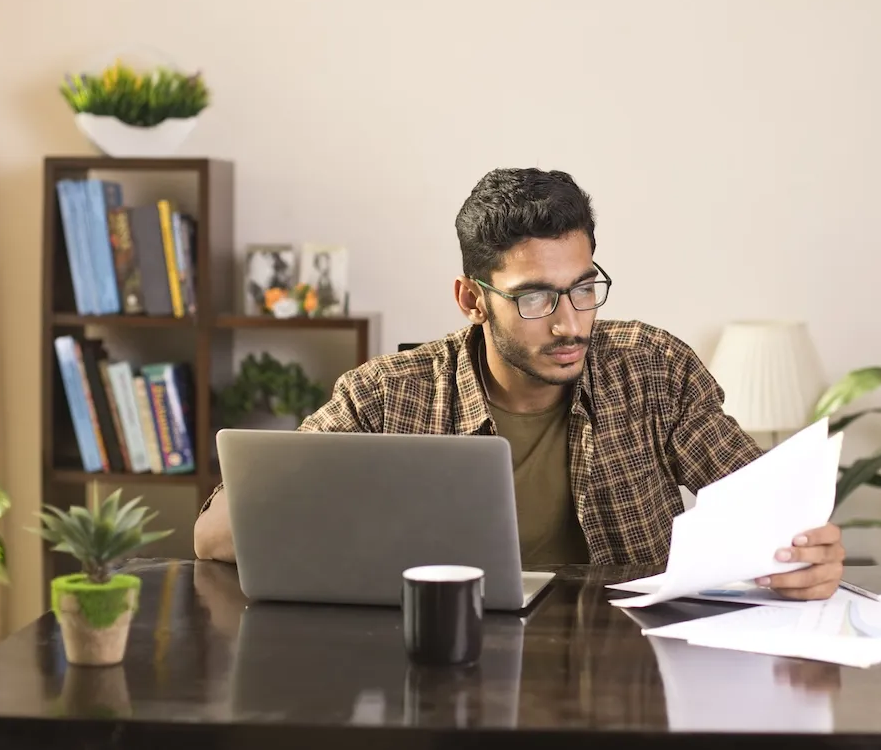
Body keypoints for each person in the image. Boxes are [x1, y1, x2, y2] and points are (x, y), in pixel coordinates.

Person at [195, 168, 844, 600]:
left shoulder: (651, 368)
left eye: (584, 289)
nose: (569, 323)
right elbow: (213, 539)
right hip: (450, 671)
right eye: (535, 297)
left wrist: (812, 556)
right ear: (470, 299)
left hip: (629, 670)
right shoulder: (388, 395)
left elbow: (773, 513)